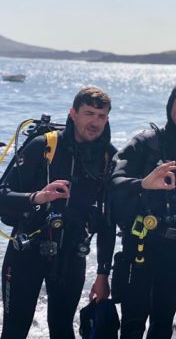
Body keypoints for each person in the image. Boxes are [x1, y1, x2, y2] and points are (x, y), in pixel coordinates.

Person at [0, 86, 117, 339]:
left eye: (101, 116)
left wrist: (103, 274)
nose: (94, 122)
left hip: (71, 256)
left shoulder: (109, 157)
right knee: (14, 331)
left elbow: (109, 222)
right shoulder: (44, 145)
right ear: (73, 114)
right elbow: (2, 196)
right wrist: (36, 197)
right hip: (27, 252)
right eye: (88, 113)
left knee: (63, 330)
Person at [109, 81, 176, 339]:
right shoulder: (145, 143)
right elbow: (113, 182)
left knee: (162, 324)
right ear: (170, 105)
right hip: (141, 247)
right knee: (133, 325)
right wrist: (143, 184)